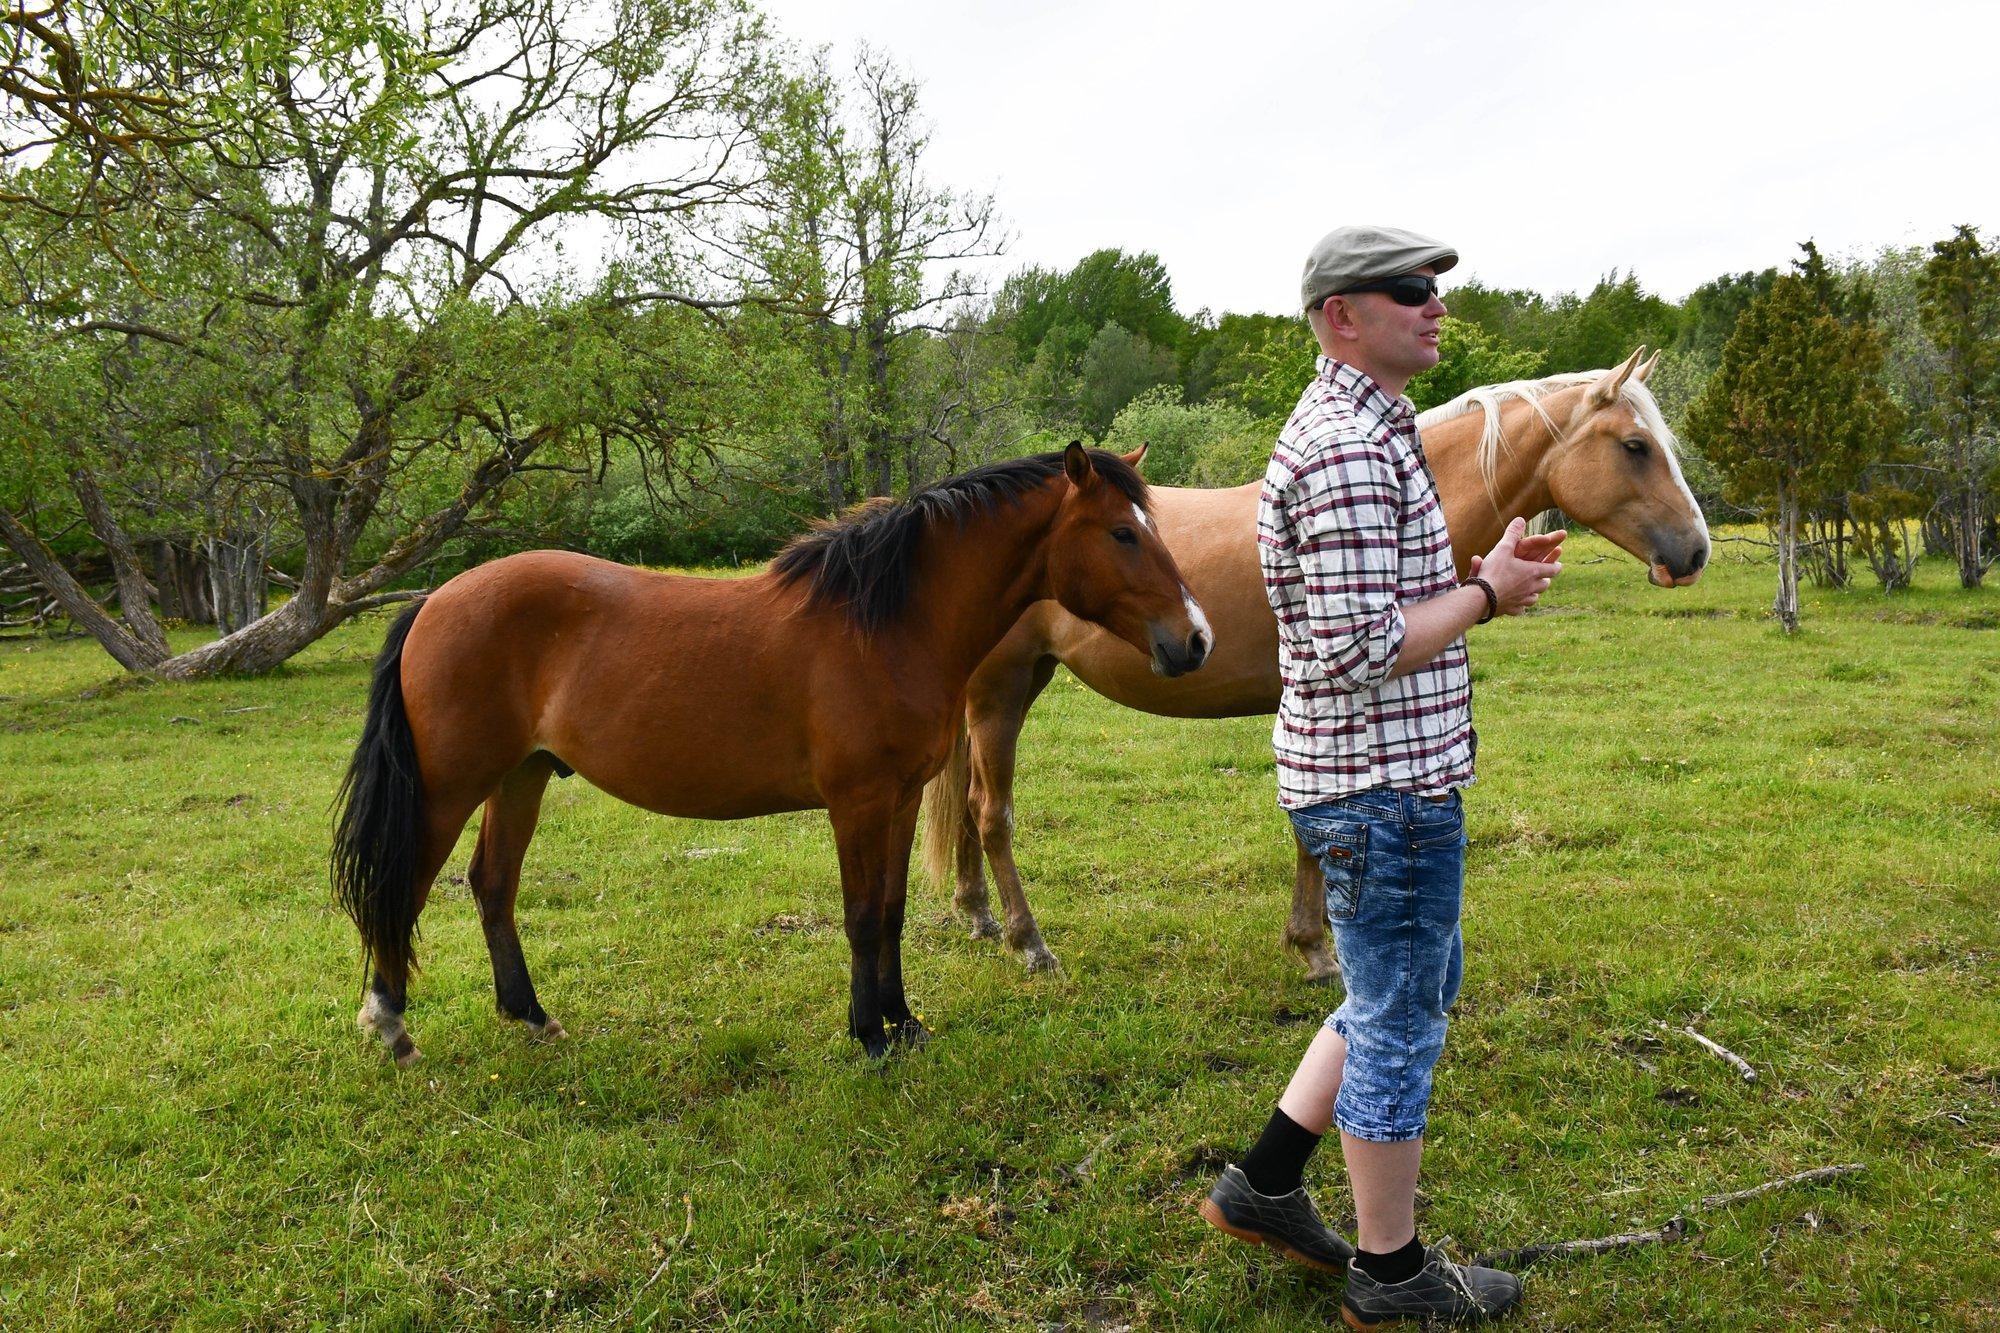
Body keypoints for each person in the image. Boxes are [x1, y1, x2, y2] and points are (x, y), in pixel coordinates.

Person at [1199, 225, 1564, 1328]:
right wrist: (1487, 594)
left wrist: (1467, 575)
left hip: (1370, 778)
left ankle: (1261, 1184)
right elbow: (1362, 647)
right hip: (1381, 787)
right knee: (1402, 1016)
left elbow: (1355, 609)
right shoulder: (1350, 451)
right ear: (1338, 317)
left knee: (1401, 988)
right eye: (1407, 290)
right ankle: (1388, 1273)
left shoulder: (1370, 430)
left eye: (1436, 289)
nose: (1434, 305)